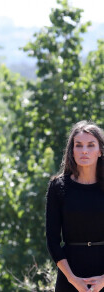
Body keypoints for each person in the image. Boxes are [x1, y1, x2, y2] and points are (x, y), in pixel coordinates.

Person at [46, 120, 104, 292]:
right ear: (72, 150)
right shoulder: (58, 187)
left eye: (91, 145)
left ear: (100, 151)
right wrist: (73, 280)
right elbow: (53, 240)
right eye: (78, 145)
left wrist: (102, 280)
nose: (84, 150)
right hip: (70, 278)